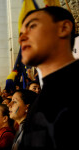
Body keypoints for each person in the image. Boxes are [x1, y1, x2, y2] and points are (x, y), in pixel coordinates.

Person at [18, 6, 79, 150]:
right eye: (20, 33)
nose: (21, 38)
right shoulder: (37, 105)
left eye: (32, 26)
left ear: (64, 28)